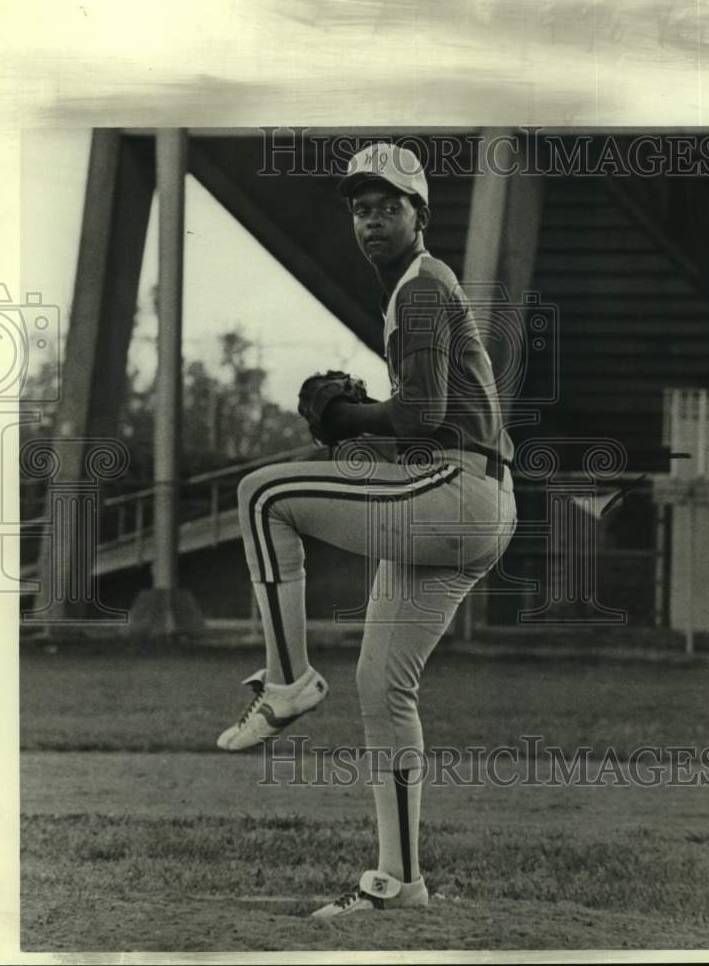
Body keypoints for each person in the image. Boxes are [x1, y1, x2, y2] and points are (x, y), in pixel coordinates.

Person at [217, 142, 517, 918]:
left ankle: (286, 683)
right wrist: (358, 425)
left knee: (261, 494)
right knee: (382, 687)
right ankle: (400, 883)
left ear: (420, 215)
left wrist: (344, 416)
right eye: (360, 207)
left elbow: (418, 418)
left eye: (389, 204)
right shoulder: (414, 291)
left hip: (456, 492)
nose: (372, 218)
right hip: (472, 501)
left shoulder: (420, 288)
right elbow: (422, 419)